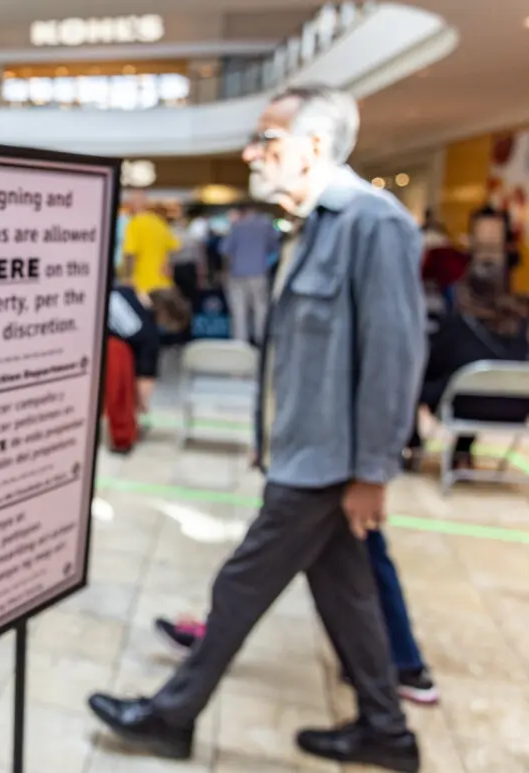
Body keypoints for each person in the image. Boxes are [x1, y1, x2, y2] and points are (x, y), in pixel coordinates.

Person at [88, 84, 424, 773]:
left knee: (240, 586)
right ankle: (386, 730)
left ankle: (170, 714)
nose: (251, 153)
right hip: (304, 452)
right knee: (348, 593)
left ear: (312, 147)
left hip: (328, 465)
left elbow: (394, 356)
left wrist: (373, 470)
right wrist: (269, 436)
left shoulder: (372, 222)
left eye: (265, 140)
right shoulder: (309, 226)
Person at [153, 519, 440, 705]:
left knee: (250, 572)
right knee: (350, 564)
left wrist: (371, 475)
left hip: (325, 467)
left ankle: (177, 703)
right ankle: (393, 688)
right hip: (318, 462)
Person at [406, 261, 529, 469]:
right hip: (514, 409)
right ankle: (463, 450)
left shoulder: (457, 326)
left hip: (461, 406)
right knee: (478, 385)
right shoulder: (520, 326)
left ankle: (413, 446)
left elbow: (431, 365)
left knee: (411, 380)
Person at [104, 283, 191, 453]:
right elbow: (145, 379)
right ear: (166, 314)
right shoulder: (147, 334)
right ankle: (122, 439)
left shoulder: (124, 290)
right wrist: (142, 404)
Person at [220, 204, 279, 344]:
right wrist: (266, 264)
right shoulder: (266, 225)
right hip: (259, 273)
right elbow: (275, 249)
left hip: (237, 273)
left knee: (239, 309)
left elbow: (224, 249)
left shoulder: (237, 226)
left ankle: (240, 343)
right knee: (261, 308)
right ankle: (261, 341)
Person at [123, 197, 180, 293]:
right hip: (163, 281)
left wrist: (127, 277)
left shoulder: (135, 222)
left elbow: (130, 253)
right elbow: (174, 248)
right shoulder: (162, 224)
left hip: (143, 283)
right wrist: (168, 266)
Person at [169, 208, 208, 318]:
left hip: (179, 268)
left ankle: (180, 322)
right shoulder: (192, 236)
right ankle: (187, 322)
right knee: (189, 299)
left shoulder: (172, 235)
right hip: (187, 269)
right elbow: (200, 259)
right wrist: (202, 276)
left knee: (178, 299)